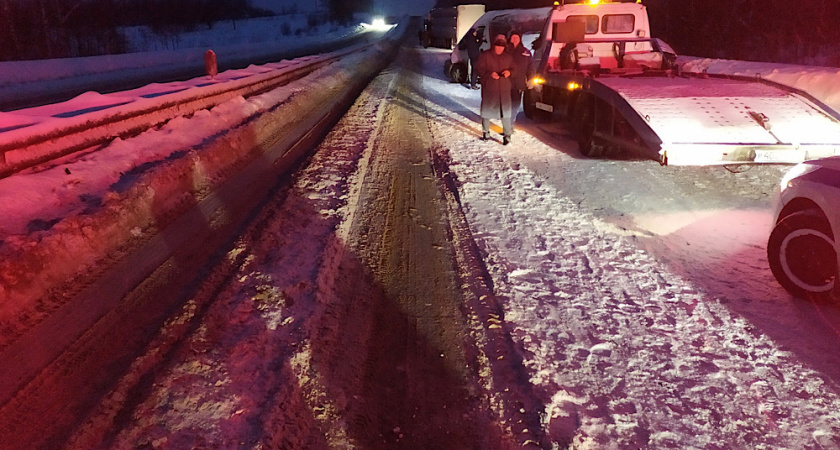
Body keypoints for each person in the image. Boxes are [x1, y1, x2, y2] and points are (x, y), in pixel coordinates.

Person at [476, 35, 515, 145]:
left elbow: (515, 69)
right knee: (487, 111)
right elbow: (479, 69)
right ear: (494, 45)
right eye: (497, 46)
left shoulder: (508, 57)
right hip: (490, 88)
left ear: (504, 47)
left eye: (501, 46)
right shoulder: (485, 55)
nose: (499, 48)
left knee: (506, 113)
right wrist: (489, 74)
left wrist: (509, 72)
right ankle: (486, 132)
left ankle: (507, 136)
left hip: (504, 89)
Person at [507, 30, 532, 127]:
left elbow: (531, 66)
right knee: (506, 106)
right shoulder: (506, 51)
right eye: (513, 37)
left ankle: (510, 124)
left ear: (520, 39)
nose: (514, 39)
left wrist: (530, 78)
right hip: (506, 83)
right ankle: (507, 123)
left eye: (516, 37)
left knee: (515, 105)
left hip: (519, 83)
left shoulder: (525, 52)